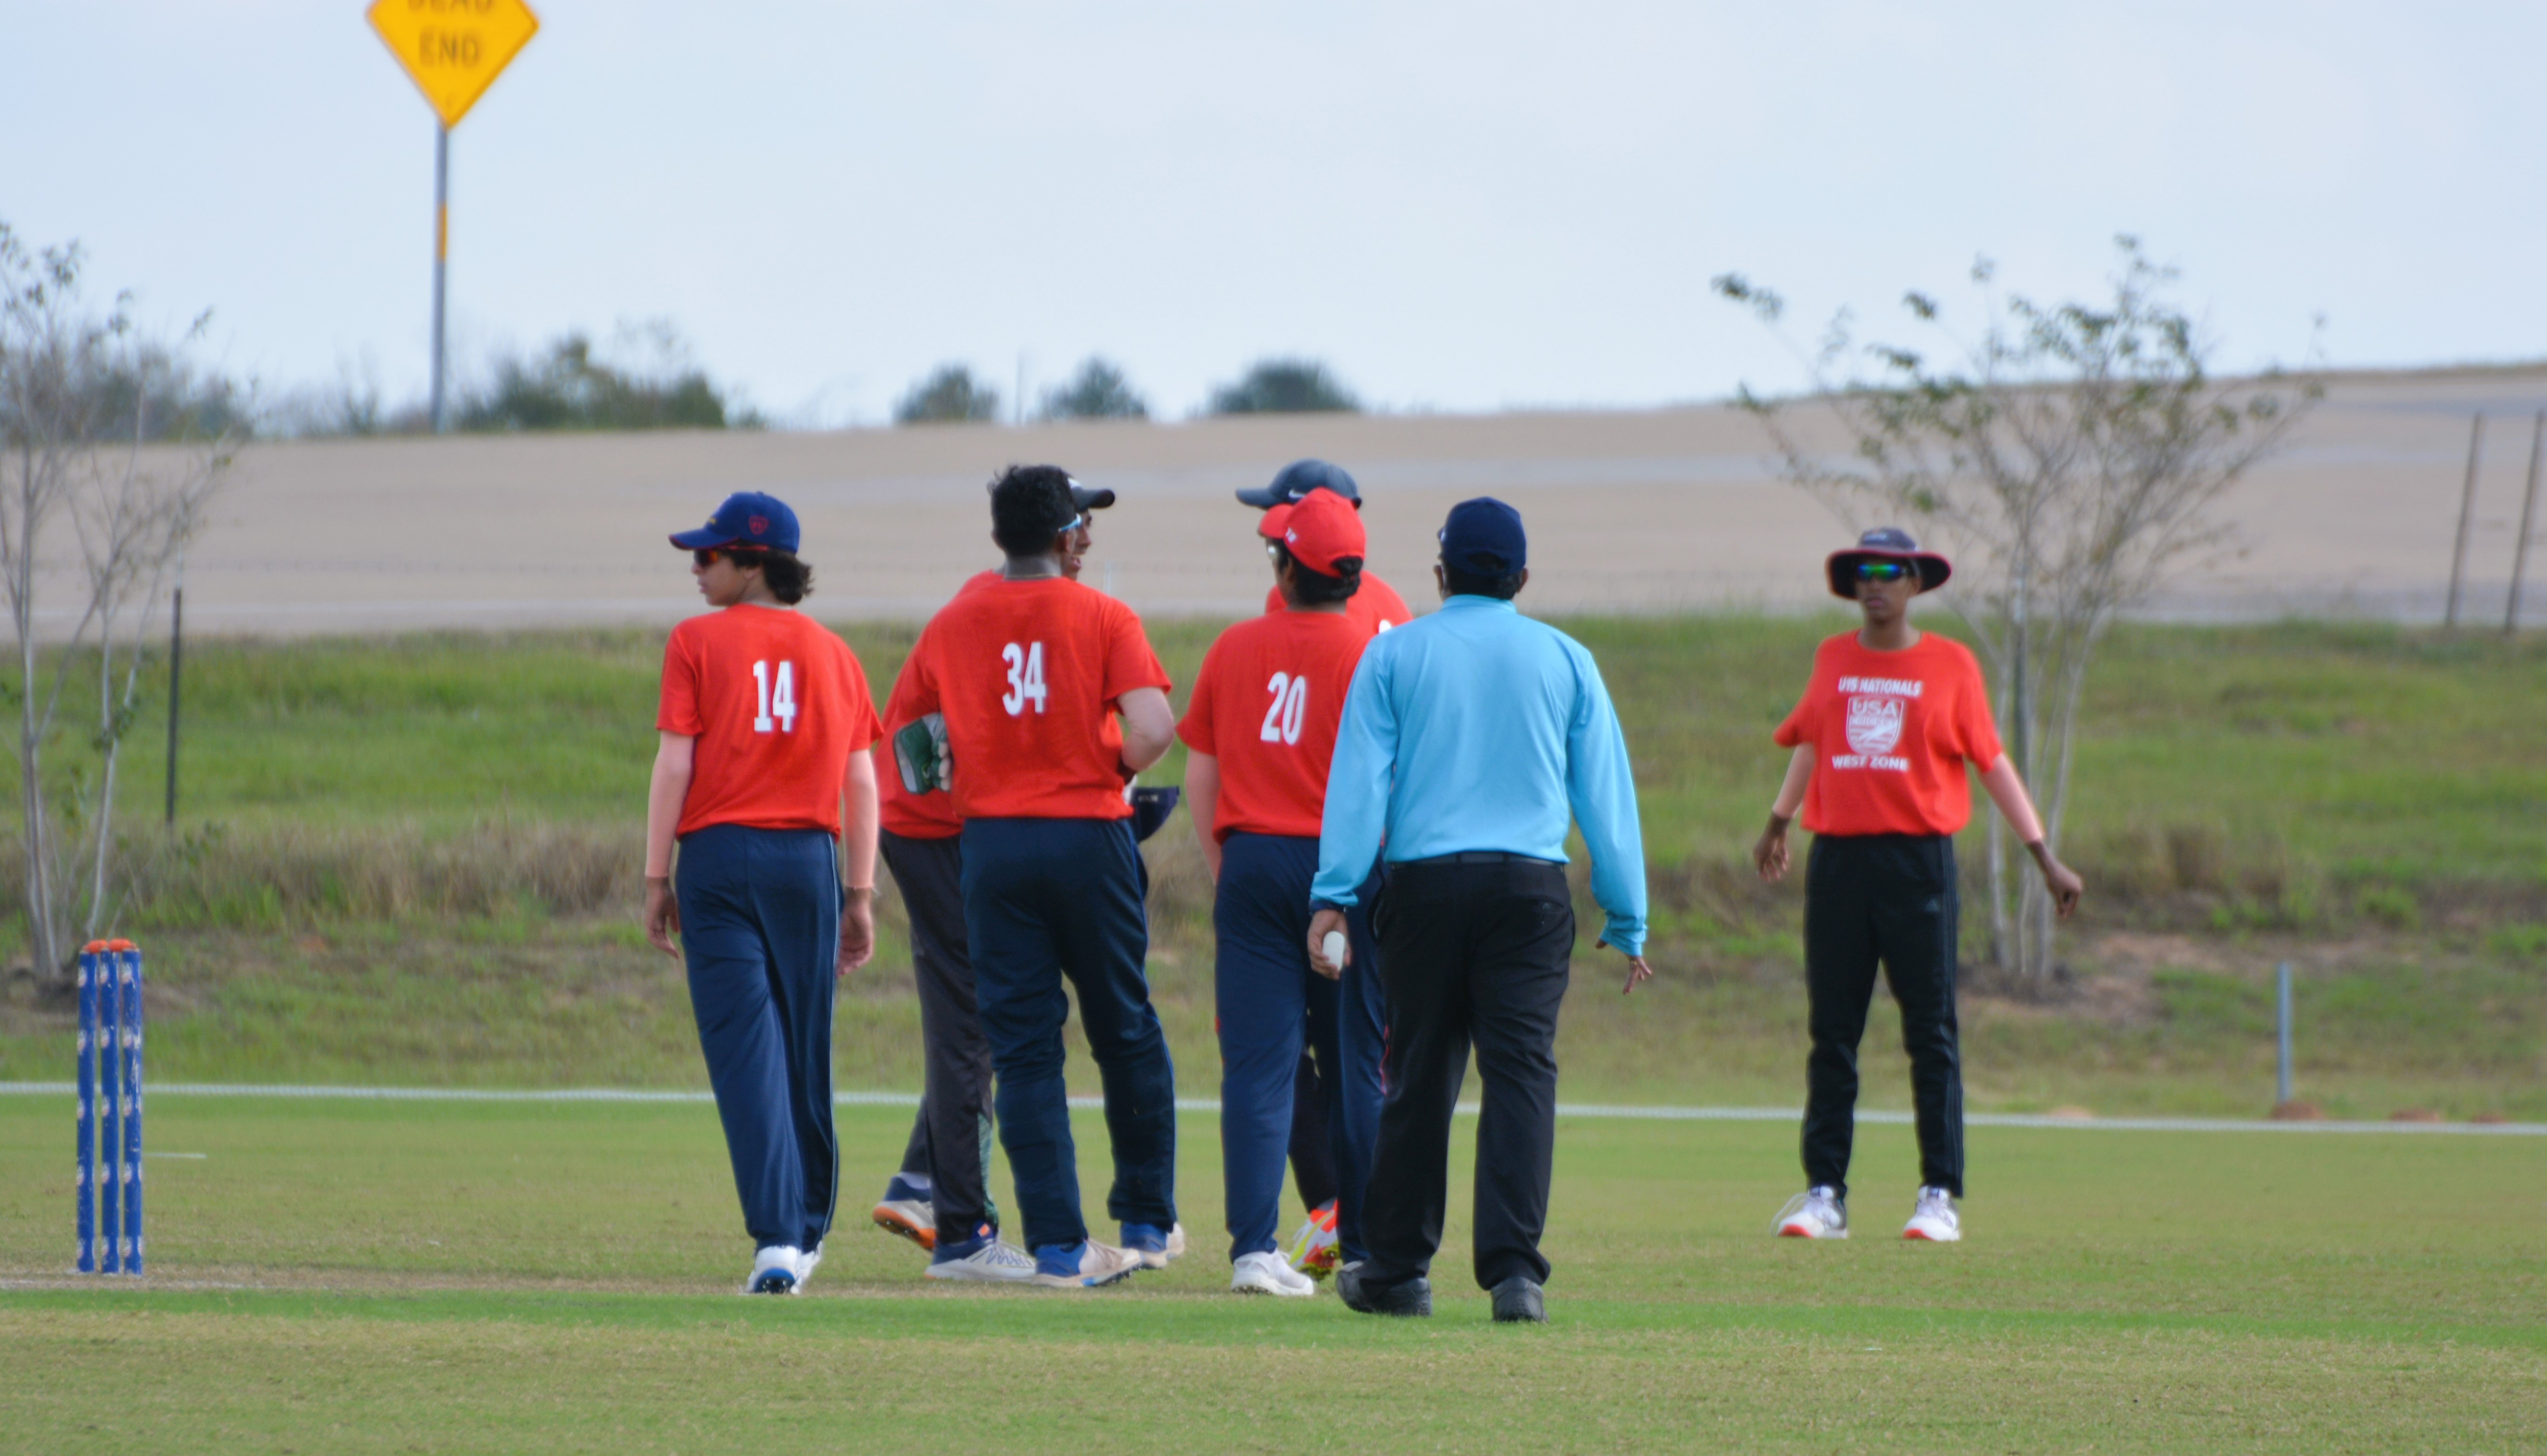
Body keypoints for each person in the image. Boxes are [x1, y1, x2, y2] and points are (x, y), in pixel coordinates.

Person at [1310, 497, 1651, 1325]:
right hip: (1529, 891)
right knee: (1521, 1071)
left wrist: (1334, 894)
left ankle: (1396, 1270)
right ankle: (1513, 1276)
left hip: (1424, 888)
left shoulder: (1394, 654)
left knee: (1418, 1074)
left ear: (1440, 572)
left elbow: (1358, 785)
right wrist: (1626, 913)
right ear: (1522, 577)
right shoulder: (1567, 659)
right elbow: (1604, 796)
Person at [1752, 527, 2085, 1244]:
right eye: (1864, 571)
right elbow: (1813, 741)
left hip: (1917, 864)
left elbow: (1990, 761)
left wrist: (2043, 857)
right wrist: (1778, 822)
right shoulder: (1832, 657)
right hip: (1838, 862)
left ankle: (1937, 1195)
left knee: (1929, 1032)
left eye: (1890, 571)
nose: (1875, 582)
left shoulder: (1950, 664)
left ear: (1913, 583)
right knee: (1832, 1033)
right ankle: (1824, 1195)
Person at [895, 465, 1182, 1289]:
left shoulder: (953, 620)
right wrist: (1108, 767)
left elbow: (912, 742)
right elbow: (1154, 726)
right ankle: (1145, 1220)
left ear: (998, 536)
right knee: (1124, 1026)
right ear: (1064, 536)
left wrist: (976, 771)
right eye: (1080, 525)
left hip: (991, 845)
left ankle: (1058, 1247)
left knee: (1023, 1051)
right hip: (1088, 834)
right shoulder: (1102, 614)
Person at [867, 482, 1114, 1282]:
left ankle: (922, 1181)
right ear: (1051, 533)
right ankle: (963, 1230)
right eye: (1078, 522)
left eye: (1090, 523)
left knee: (983, 1013)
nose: (1087, 538)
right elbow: (944, 744)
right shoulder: (994, 609)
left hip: (957, 828)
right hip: (938, 829)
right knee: (976, 1017)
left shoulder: (1040, 607)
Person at [643, 491, 883, 1295]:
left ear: (753, 564)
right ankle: (806, 1227)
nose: (696, 567)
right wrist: (859, 893)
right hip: (807, 860)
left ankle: (778, 1240)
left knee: (746, 1050)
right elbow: (860, 780)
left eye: (709, 555)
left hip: (716, 859)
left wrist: (655, 876)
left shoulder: (694, 641)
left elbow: (675, 763)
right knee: (805, 1046)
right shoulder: (836, 653)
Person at [1179, 490, 1387, 1297]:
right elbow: (1385, 787)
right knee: (1353, 1063)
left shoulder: (1234, 647)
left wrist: (1226, 867)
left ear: (1289, 570)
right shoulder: (1373, 655)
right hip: (1344, 872)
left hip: (1254, 860)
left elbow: (1202, 775)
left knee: (1259, 1064)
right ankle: (1362, 1245)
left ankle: (1253, 1251)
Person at [1234, 458, 1404, 1274]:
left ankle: (1337, 1211)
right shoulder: (1389, 607)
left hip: (1309, 855)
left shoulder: (1301, 615)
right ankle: (1353, 1216)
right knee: (1350, 1050)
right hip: (1364, 861)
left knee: (1290, 1048)